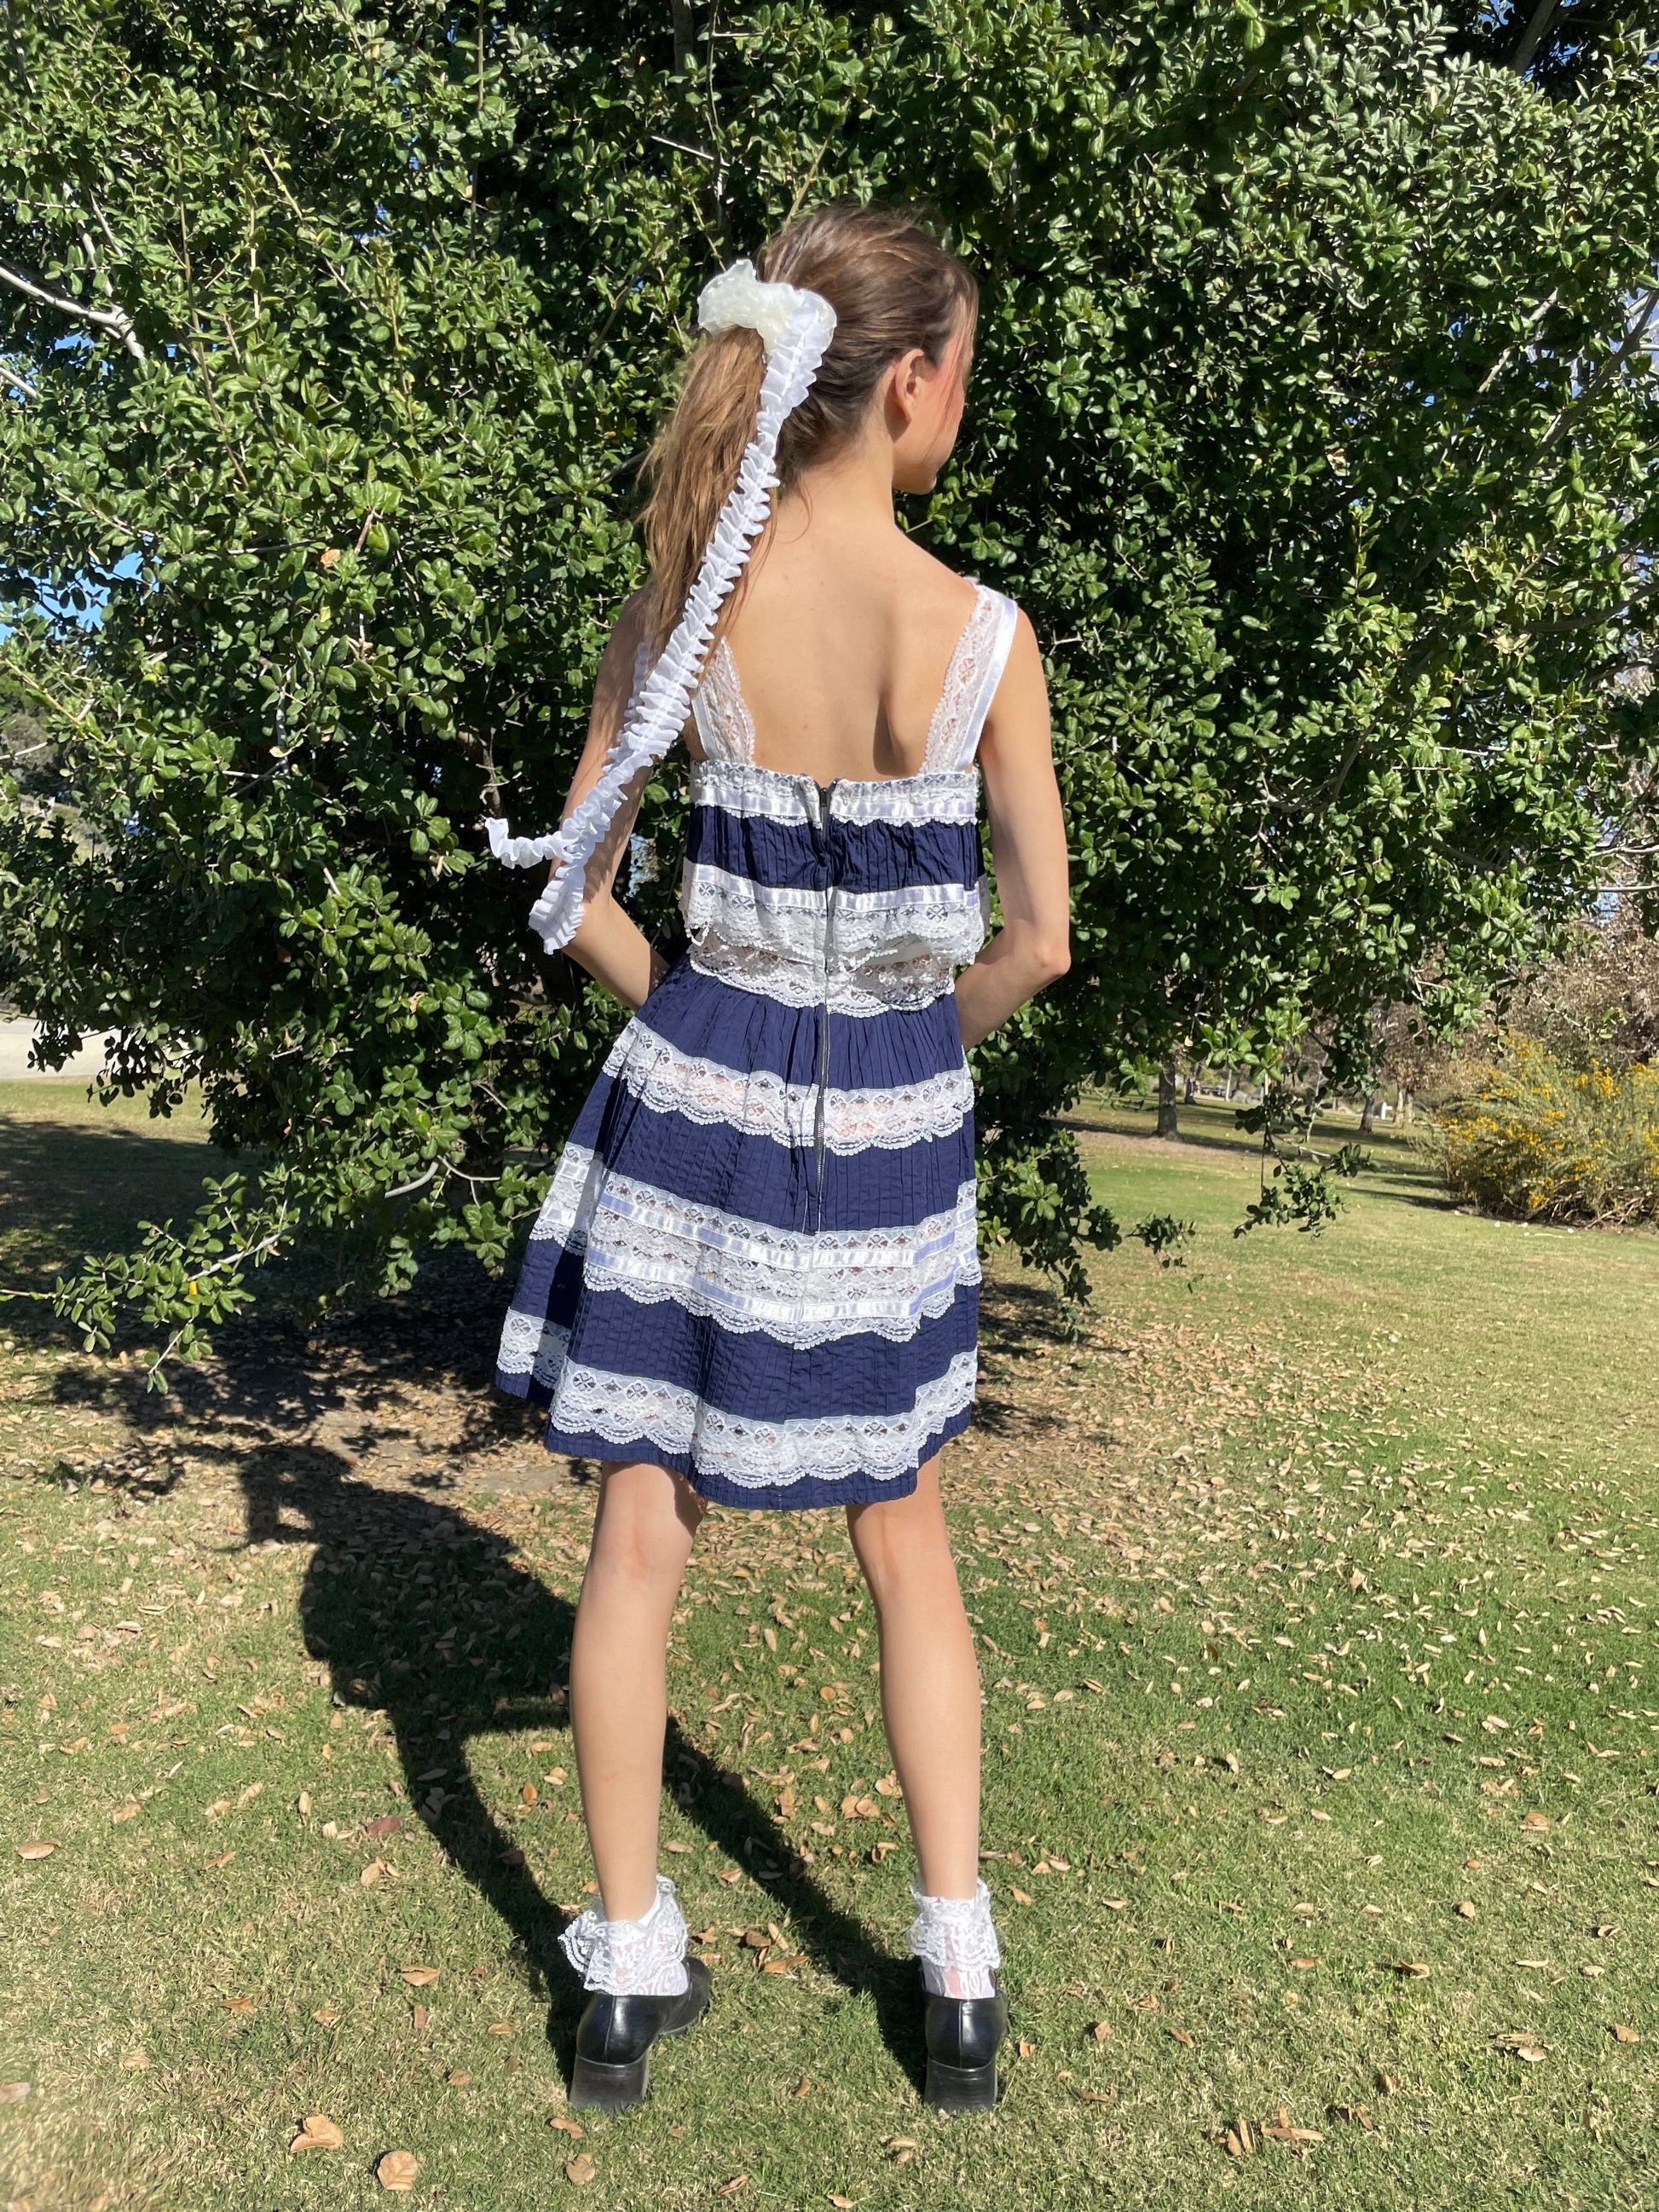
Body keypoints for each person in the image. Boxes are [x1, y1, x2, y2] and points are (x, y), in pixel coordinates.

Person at [488, 203, 1071, 2113]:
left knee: (639, 1530)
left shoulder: (678, 606)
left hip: (689, 1105)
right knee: (901, 1531)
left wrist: (695, 1018)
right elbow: (1039, 939)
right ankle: (958, 1964)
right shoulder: (987, 637)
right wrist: (902, 1053)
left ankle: (624, 1975)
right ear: (908, 384)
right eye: (961, 375)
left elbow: (568, 886)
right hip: (891, 1132)